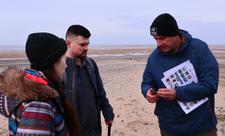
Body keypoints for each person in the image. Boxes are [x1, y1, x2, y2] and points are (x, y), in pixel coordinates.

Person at [141, 13, 219, 136]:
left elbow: (210, 84)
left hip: (201, 126)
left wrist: (177, 93)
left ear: (175, 34)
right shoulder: (154, 58)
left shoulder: (199, 48)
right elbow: (147, 82)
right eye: (156, 39)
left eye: (162, 38)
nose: (159, 43)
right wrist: (147, 91)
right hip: (169, 126)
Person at [0, 32, 81, 136]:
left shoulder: (37, 92)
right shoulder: (38, 104)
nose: (65, 65)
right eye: (64, 59)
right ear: (53, 62)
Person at [63, 24, 114, 136]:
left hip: (94, 130)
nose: (87, 48)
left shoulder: (91, 64)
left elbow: (100, 92)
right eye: (82, 44)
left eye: (87, 44)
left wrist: (108, 112)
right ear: (68, 43)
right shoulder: (60, 69)